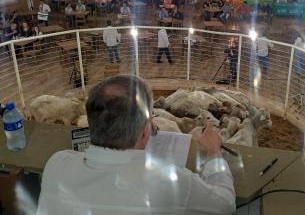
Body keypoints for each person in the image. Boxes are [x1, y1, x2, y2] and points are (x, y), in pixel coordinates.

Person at [37, 75, 235, 214]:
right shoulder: (170, 182)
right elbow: (225, 203)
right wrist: (213, 151)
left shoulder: (56, 164)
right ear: (146, 131)